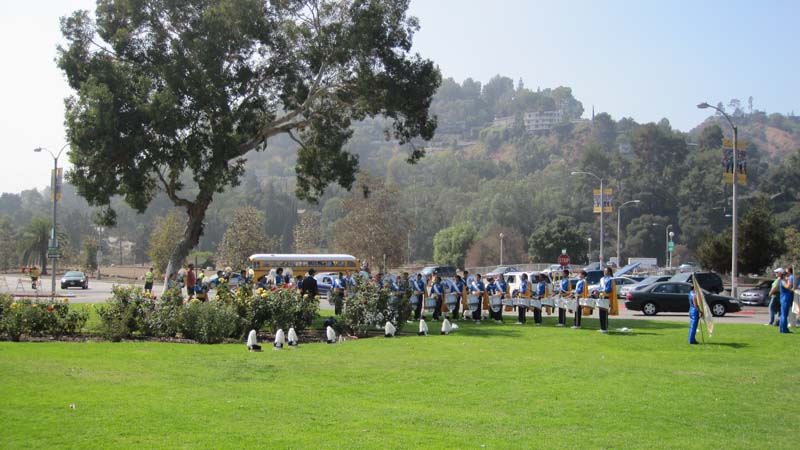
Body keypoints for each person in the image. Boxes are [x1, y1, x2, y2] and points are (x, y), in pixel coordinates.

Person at [597, 267, 614, 333]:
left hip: (606, 297)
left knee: (604, 313)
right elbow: (600, 287)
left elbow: (609, 289)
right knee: (601, 313)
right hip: (601, 296)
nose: (604, 272)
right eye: (604, 270)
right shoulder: (602, 279)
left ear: (609, 272)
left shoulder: (610, 279)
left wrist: (600, 291)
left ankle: (605, 328)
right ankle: (602, 328)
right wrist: (597, 291)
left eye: (606, 271)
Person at [778, 269, 793, 334]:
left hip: (785, 298)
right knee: (784, 314)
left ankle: (782, 328)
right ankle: (784, 329)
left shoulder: (783, 280)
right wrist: (789, 280)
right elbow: (788, 286)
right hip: (785, 299)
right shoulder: (783, 281)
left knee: (783, 314)